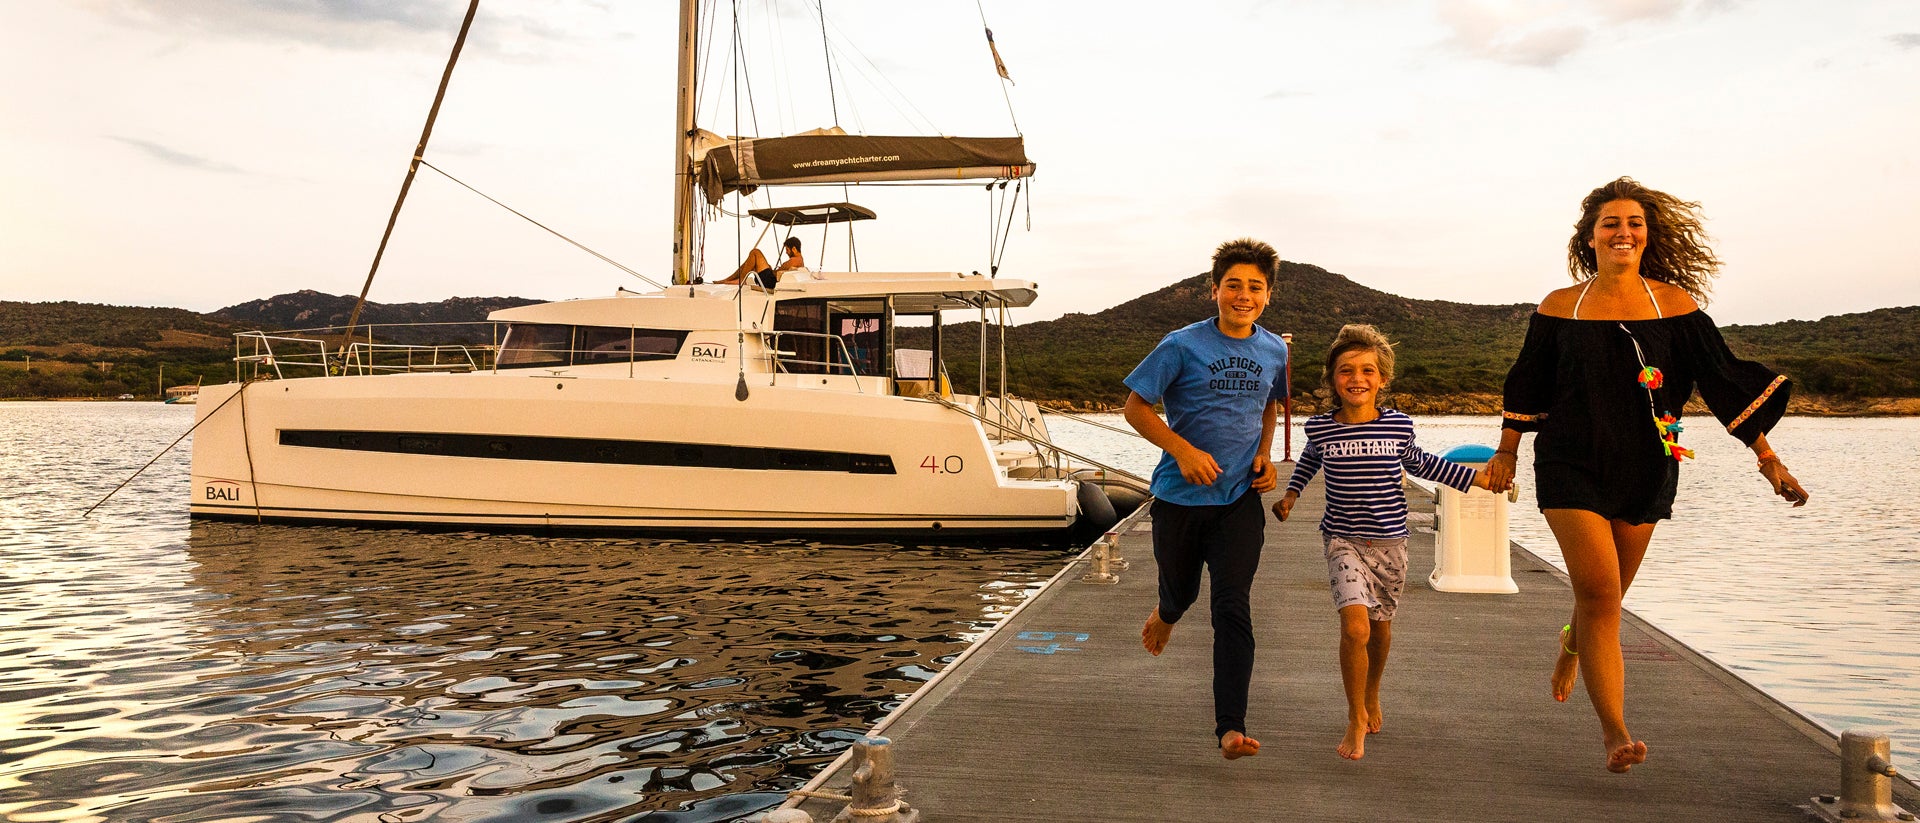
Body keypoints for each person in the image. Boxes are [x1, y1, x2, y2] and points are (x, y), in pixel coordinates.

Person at [1483, 177, 1809, 774]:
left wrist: (1769, 461)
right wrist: (1505, 451)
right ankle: (1615, 732)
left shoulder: (1676, 307)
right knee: (1602, 594)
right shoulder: (1559, 306)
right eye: (1610, 223)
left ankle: (1570, 644)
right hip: (1569, 461)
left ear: (1647, 235)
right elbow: (1526, 382)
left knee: (1605, 597)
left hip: (1648, 465)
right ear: (1589, 236)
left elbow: (1721, 382)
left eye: (1634, 223)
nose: (1623, 232)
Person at [1273, 324, 1493, 761]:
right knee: (1355, 626)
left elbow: (1424, 463)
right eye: (1346, 370)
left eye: (1367, 370)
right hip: (1342, 540)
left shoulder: (1397, 425)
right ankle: (1355, 715)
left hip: (1391, 541)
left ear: (1382, 378)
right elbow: (1309, 463)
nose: (1357, 378)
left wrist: (1476, 479)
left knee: (1380, 628)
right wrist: (1292, 495)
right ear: (1332, 379)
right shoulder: (1319, 428)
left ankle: (1372, 692)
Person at [1123, 237, 1289, 760]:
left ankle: (1230, 727)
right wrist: (1183, 450)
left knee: (1232, 605)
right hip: (1178, 497)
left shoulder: (1275, 350)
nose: (1244, 295)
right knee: (1182, 593)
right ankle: (1167, 613)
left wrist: (1264, 457)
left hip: (1238, 500)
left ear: (1267, 297)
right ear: (1214, 290)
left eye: (1255, 287)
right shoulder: (1181, 344)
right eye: (1233, 285)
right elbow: (1135, 408)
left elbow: (1269, 406)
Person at [717, 236, 804, 289]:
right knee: (751, 260)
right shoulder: (800, 261)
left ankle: (739, 279)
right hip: (770, 280)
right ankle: (731, 279)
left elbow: (776, 274)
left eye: (787, 250)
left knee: (755, 252)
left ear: (794, 249)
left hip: (770, 282)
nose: (786, 252)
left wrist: (770, 269)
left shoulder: (793, 261)